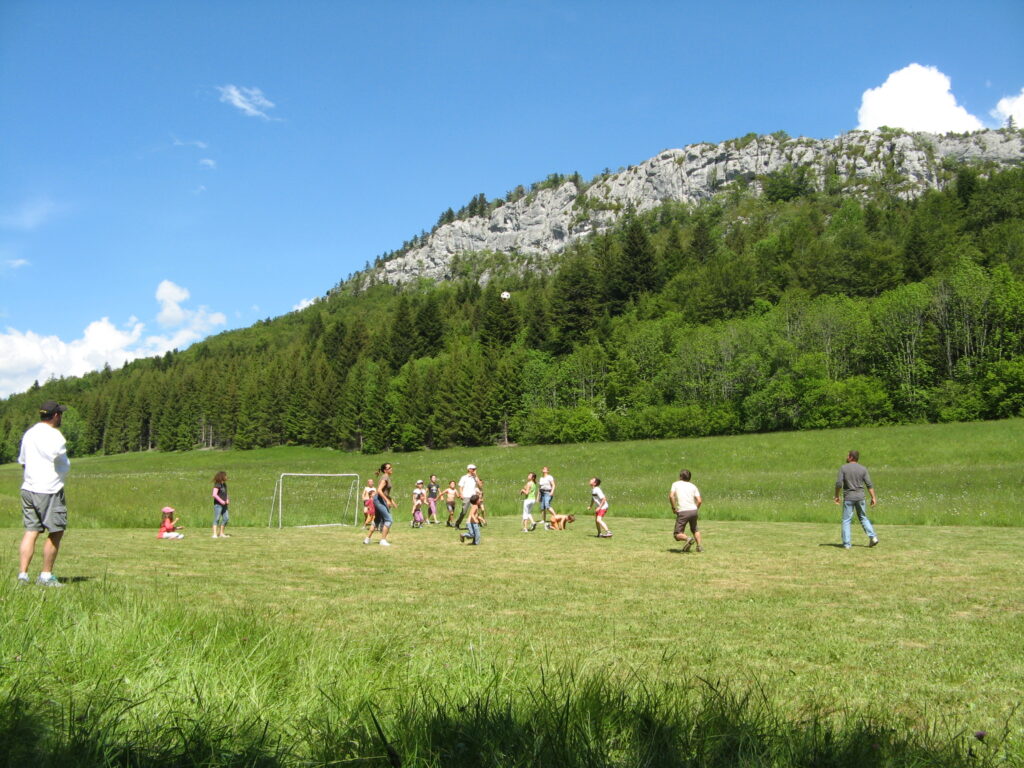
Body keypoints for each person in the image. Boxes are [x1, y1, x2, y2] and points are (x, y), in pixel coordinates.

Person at [18, 400, 71, 587]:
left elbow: (23, 461)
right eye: (60, 414)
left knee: (31, 531)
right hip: (49, 488)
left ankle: (23, 575)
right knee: (56, 531)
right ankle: (46, 575)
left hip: (29, 487)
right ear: (55, 415)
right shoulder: (54, 436)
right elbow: (57, 456)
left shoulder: (29, 434)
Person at [834, 450, 879, 549]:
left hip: (849, 497)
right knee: (863, 517)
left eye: (848, 455)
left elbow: (838, 484)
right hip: (860, 497)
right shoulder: (863, 469)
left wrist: (836, 496)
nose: (846, 457)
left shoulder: (843, 468)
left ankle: (847, 544)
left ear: (851, 457)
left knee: (846, 520)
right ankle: (873, 537)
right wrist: (873, 497)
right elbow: (869, 484)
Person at [670, 469, 703, 552]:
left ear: (680, 476)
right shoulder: (693, 486)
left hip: (683, 511)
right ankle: (699, 547)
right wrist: (695, 509)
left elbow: (671, 496)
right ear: (689, 478)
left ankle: (688, 539)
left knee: (677, 534)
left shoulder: (675, 484)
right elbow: (699, 501)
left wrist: (674, 508)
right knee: (695, 529)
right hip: (693, 510)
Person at [365, 462, 395, 546]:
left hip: (379, 500)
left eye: (391, 467)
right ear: (385, 470)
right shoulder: (385, 477)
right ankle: (383, 540)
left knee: (377, 520)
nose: (391, 469)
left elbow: (385, 492)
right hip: (379, 500)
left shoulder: (385, 477)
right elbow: (379, 490)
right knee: (389, 519)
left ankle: (367, 539)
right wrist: (387, 500)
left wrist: (391, 500)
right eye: (389, 468)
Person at [455, 464, 482, 529]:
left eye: (475, 469)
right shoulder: (464, 477)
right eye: (473, 469)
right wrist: (461, 494)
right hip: (466, 496)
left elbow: (480, 486)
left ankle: (476, 524)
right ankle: (457, 524)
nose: (474, 470)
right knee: (464, 512)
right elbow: (461, 487)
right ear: (469, 469)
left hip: (474, 497)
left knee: (475, 511)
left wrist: (476, 476)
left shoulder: (475, 477)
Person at [212, 471, 230, 538]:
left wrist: (227, 499)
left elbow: (226, 494)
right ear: (222, 476)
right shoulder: (217, 484)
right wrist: (221, 501)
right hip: (218, 505)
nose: (226, 477)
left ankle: (221, 533)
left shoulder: (224, 484)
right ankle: (214, 534)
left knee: (226, 518)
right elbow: (214, 494)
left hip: (224, 504)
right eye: (225, 476)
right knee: (217, 518)